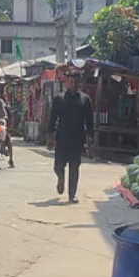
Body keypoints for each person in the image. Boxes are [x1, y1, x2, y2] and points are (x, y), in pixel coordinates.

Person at [48, 73, 93, 203]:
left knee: (74, 166)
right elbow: (52, 119)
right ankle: (61, 177)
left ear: (79, 83)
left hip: (77, 138)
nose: (73, 84)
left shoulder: (85, 99)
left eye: (76, 82)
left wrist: (90, 139)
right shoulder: (59, 99)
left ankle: (72, 194)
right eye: (71, 81)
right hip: (62, 137)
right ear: (66, 82)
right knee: (58, 165)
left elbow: (89, 121)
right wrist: (50, 136)